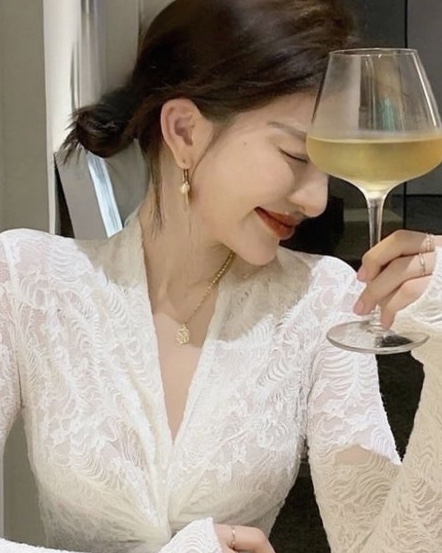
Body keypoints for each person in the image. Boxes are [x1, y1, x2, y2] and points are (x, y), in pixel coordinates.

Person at [1, 0, 441, 552]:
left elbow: (380, 546)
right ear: (185, 132)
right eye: (295, 154)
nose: (315, 200)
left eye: (328, 165)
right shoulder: (26, 280)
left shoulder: (322, 297)